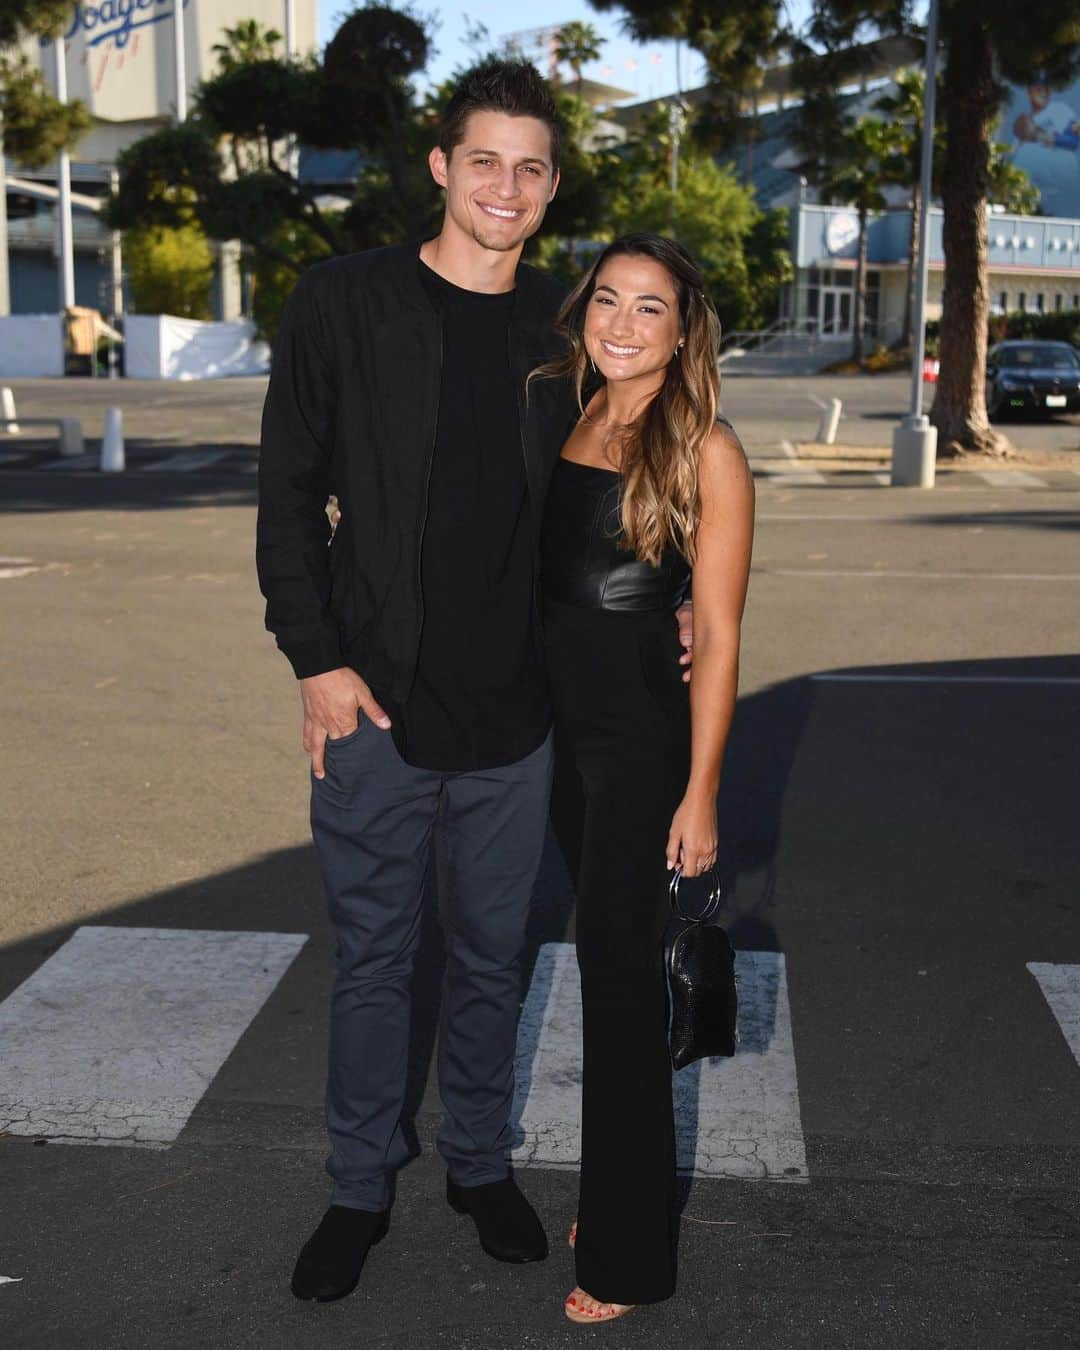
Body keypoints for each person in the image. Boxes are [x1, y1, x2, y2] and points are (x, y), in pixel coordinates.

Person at [255, 63, 692, 1303]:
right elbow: (289, 492)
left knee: (496, 961)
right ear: (443, 169)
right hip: (375, 703)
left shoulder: (567, 329)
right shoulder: (339, 303)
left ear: (553, 190)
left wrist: (681, 607)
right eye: (485, 161)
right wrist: (317, 660)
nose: (507, 185)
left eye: (532, 167)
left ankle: (479, 1164)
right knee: (377, 962)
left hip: (521, 716)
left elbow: (660, 447)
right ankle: (356, 1187)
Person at [532, 233, 755, 1325]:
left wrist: (700, 793)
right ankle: (614, 1193)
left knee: (621, 989)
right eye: (607, 299)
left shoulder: (706, 447)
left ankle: (626, 1258)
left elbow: (714, 634)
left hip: (639, 750)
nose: (621, 322)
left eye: (649, 308)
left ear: (685, 328)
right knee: (600, 968)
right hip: (564, 745)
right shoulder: (574, 410)